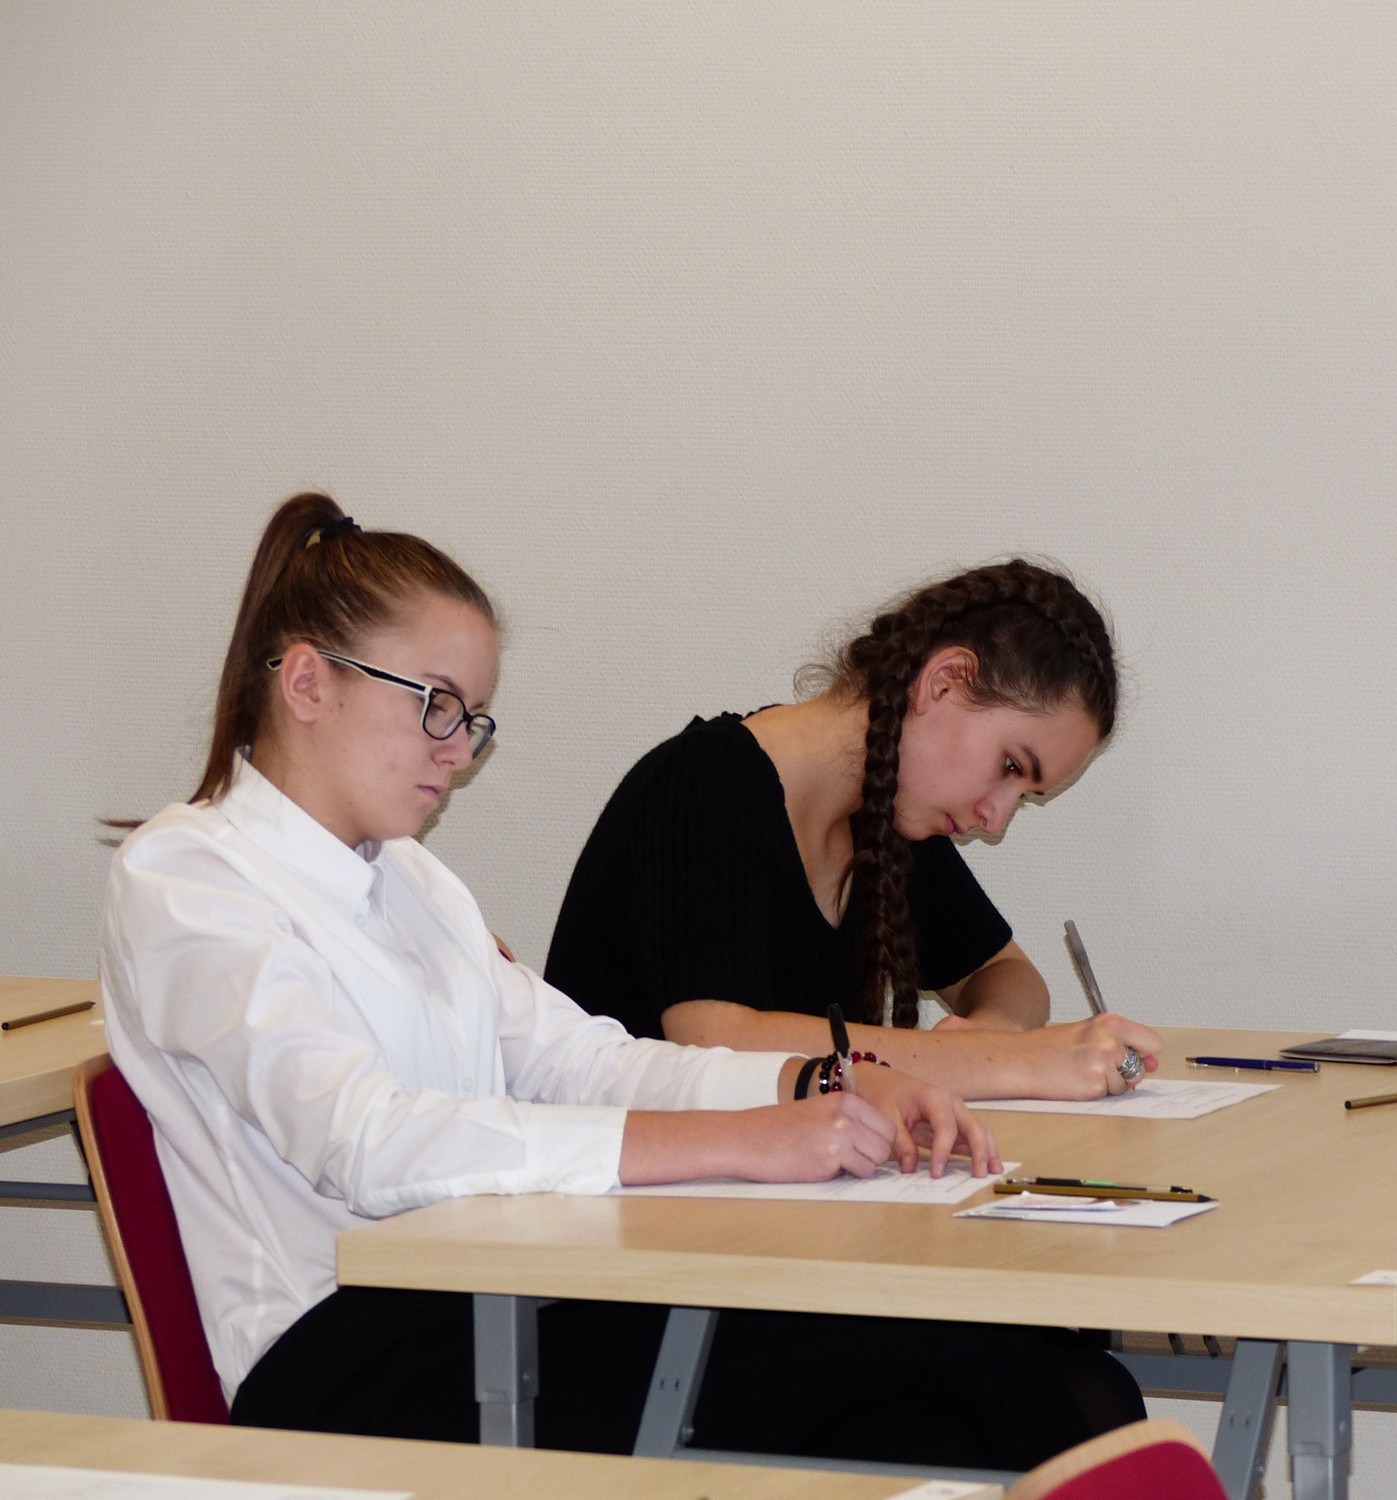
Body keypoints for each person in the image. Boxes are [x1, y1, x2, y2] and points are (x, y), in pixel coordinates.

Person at [99, 493, 1010, 1461]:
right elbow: (370, 1142)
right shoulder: (188, 879)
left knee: (955, 1386)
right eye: (435, 704)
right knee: (936, 1364)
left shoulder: (409, 879)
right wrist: (749, 1139)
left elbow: (586, 1062)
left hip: (496, 1296)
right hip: (347, 1360)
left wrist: (826, 1082)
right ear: (308, 682)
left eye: (472, 719)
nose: (457, 751)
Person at [545, 559, 1162, 1101]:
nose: (995, 816)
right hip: (612, 1190)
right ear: (944, 681)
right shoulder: (704, 785)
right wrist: (999, 1063)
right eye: (1008, 767)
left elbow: (1009, 975)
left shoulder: (889, 812)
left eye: (1025, 795)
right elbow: (719, 1041)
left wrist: (992, 1033)